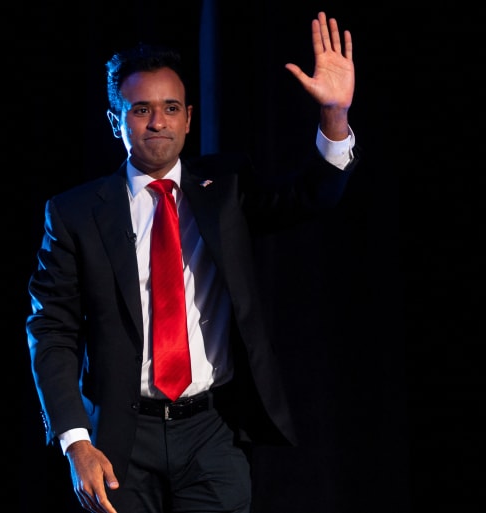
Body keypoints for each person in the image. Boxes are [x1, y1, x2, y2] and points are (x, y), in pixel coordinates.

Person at [26, 11, 357, 513]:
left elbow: (313, 196)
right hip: (119, 439)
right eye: (140, 109)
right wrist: (77, 442)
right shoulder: (74, 213)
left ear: (187, 117)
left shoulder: (224, 189)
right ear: (116, 119)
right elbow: (51, 328)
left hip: (212, 432)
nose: (157, 121)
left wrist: (335, 114)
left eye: (170, 107)